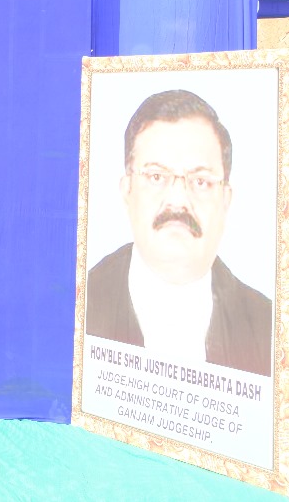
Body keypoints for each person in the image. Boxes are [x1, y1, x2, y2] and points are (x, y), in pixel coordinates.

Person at [85, 89, 272, 377]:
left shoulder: (268, 327)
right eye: (156, 176)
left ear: (225, 200)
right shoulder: (78, 305)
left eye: (200, 181)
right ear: (127, 191)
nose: (177, 200)